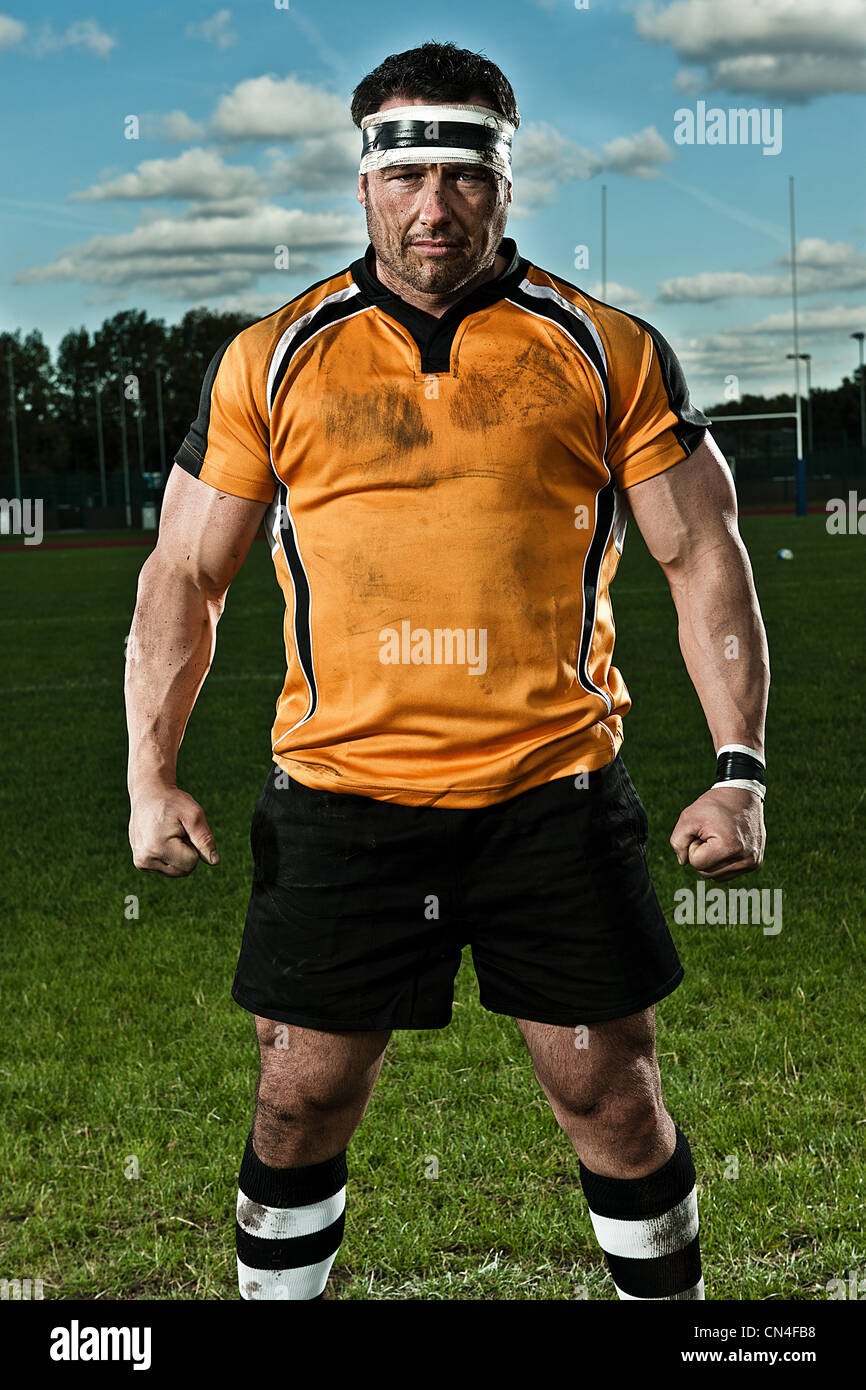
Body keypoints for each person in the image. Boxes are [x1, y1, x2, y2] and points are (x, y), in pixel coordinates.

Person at [125, 40, 769, 1302]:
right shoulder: (271, 355)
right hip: (342, 799)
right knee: (299, 1094)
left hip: (552, 793)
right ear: (362, 180)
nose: (434, 207)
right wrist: (150, 775)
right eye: (406, 173)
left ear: (506, 180)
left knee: (608, 1088)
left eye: (464, 175)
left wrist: (736, 772)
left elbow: (703, 560)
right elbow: (179, 579)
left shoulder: (604, 348)